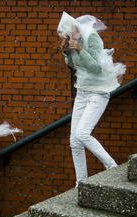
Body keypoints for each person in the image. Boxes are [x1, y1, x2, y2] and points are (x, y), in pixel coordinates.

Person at [57, 12, 126, 187]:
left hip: (99, 92)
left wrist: (80, 49)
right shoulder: (73, 38)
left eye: (69, 32)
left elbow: (95, 67)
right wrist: (67, 52)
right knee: (74, 141)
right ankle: (81, 182)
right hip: (82, 91)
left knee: (82, 133)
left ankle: (112, 166)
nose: (69, 35)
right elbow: (74, 65)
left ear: (76, 27)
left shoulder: (92, 38)